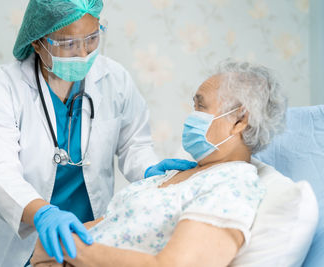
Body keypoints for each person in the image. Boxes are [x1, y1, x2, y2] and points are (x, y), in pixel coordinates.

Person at [0, 0, 194, 266]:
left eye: (92, 37)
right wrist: (43, 214)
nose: (84, 52)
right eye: (68, 44)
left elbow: (135, 144)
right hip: (28, 238)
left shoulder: (115, 79)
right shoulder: (3, 90)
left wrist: (149, 170)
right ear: (37, 42)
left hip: (90, 233)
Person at [29, 59, 288, 267]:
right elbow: (106, 225)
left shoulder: (232, 186)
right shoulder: (177, 174)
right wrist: (53, 247)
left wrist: (66, 252)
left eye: (201, 107)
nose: (192, 117)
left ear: (240, 120)